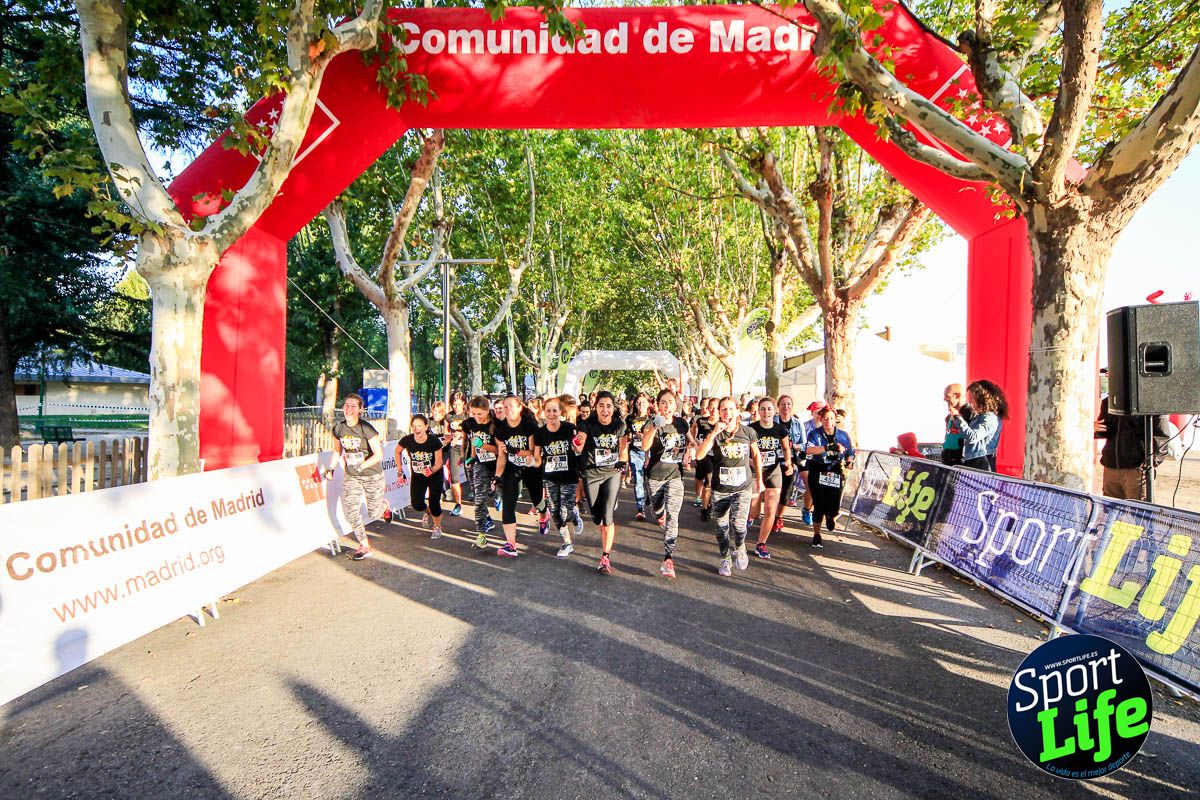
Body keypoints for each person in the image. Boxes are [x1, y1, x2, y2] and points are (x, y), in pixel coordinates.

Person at [696, 397, 763, 577]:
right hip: (720, 489)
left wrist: (760, 480)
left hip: (743, 486)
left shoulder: (748, 432)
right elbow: (699, 455)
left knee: (739, 524)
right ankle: (725, 558)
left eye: (731, 409)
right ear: (719, 413)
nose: (727, 413)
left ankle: (740, 546)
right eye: (723, 409)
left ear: (738, 411)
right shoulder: (715, 432)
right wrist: (713, 433)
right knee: (721, 527)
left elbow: (756, 456)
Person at [573, 390, 629, 574]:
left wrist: (623, 461)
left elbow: (623, 449)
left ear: (613, 408)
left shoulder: (619, 425)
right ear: (595, 407)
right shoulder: (587, 424)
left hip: (612, 472)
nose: (605, 410)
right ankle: (606, 504)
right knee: (597, 517)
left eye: (608, 406)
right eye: (601, 406)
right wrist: (577, 443)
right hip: (592, 474)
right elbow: (579, 443)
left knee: (607, 517)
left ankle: (605, 557)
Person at [641, 389, 696, 578]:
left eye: (670, 402)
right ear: (658, 405)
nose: (667, 406)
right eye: (663, 402)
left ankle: (668, 558)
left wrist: (694, 450)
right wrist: (655, 427)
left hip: (675, 476)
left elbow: (692, 442)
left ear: (675, 404)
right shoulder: (652, 422)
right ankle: (658, 512)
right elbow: (645, 446)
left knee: (673, 516)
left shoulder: (681, 423)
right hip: (655, 476)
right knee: (658, 510)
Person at [330, 393, 386, 560]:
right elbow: (337, 451)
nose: (349, 409)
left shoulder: (366, 429)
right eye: (347, 405)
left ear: (360, 409)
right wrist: (331, 468)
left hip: (372, 475)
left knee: (374, 513)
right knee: (351, 511)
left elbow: (379, 455)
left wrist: (361, 466)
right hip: (352, 476)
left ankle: (385, 505)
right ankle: (364, 545)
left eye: (354, 406)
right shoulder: (339, 428)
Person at [493, 395, 550, 558]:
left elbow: (533, 452)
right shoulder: (501, 430)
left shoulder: (529, 426)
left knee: (537, 499)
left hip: (531, 467)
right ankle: (511, 544)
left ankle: (544, 512)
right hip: (512, 468)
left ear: (519, 408)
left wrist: (516, 450)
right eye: (505, 406)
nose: (507, 409)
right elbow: (502, 456)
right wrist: (496, 477)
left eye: (511, 406)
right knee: (508, 504)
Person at [535, 396, 584, 557]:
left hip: (569, 475)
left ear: (560, 412)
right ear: (544, 412)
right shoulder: (540, 433)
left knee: (566, 512)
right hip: (550, 477)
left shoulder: (569, 428)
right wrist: (530, 461)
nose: (551, 414)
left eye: (554, 410)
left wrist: (578, 443)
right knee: (555, 511)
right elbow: (537, 457)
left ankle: (574, 514)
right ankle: (567, 543)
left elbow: (577, 450)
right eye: (548, 410)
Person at [805, 406, 855, 548]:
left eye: (831, 418)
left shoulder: (843, 435)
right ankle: (817, 534)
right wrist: (828, 448)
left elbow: (850, 451)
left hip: (835, 470)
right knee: (819, 504)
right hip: (817, 469)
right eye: (825, 418)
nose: (828, 421)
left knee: (834, 505)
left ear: (835, 420)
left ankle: (830, 515)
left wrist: (849, 461)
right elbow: (809, 449)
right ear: (820, 419)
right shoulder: (815, 434)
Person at [749, 396, 792, 560]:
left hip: (773, 471)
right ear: (758, 411)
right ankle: (750, 516)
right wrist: (753, 463)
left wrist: (788, 462)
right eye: (763, 409)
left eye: (769, 409)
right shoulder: (751, 429)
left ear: (774, 411)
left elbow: (786, 448)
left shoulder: (780, 429)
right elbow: (745, 452)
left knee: (770, 509)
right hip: (754, 471)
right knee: (754, 511)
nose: (766, 412)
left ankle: (761, 544)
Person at [396, 414, 445, 539]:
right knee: (417, 504)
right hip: (418, 476)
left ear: (426, 427)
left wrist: (431, 470)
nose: (416, 429)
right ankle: (428, 512)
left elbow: (439, 462)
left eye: (419, 426)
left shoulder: (433, 441)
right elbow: (397, 451)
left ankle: (437, 526)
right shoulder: (407, 440)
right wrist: (400, 470)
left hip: (434, 475)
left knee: (434, 503)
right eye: (413, 426)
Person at [463, 396, 499, 547]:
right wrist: (471, 457)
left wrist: (483, 445)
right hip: (480, 464)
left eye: (480, 414)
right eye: (473, 414)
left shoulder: (495, 425)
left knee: (495, 493)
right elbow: (473, 441)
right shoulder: (470, 424)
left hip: (497, 465)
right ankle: (481, 534)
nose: (476, 417)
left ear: (487, 411)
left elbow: (499, 450)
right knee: (478, 499)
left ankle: (497, 495)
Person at [954, 380, 1008, 471]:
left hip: (981, 461)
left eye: (972, 397)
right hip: (974, 460)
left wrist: (957, 418)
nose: (969, 401)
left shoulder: (990, 418)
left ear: (982, 398)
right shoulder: (980, 416)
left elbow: (973, 437)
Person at [775, 394, 807, 515]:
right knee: (774, 490)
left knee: (786, 491)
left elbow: (804, 445)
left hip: (792, 460)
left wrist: (791, 446)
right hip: (775, 459)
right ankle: (771, 515)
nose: (786, 407)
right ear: (778, 407)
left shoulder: (798, 424)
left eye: (788, 404)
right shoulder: (773, 421)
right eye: (783, 404)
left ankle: (779, 517)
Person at [626, 393, 653, 519]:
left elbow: (649, 441)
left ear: (648, 404)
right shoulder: (629, 419)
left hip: (648, 452)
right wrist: (630, 437)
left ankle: (649, 494)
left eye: (643, 402)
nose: (640, 405)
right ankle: (640, 509)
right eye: (638, 402)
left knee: (649, 480)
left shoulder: (651, 420)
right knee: (638, 480)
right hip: (634, 452)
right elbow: (625, 436)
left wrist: (647, 456)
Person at [691, 398, 720, 518]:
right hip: (704, 454)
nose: (712, 410)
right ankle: (704, 507)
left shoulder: (723, 423)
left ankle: (710, 502)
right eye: (710, 407)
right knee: (707, 478)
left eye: (715, 407)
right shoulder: (701, 421)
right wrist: (694, 443)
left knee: (715, 481)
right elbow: (692, 429)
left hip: (718, 456)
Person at [800, 401, 824, 525]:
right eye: (816, 412)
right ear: (812, 413)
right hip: (805, 460)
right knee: (811, 485)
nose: (819, 415)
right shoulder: (805, 426)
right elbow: (800, 443)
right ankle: (806, 509)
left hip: (822, 462)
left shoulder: (828, 426)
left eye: (821, 412)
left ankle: (814, 510)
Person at [445, 391, 468, 516]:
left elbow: (473, 432)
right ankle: (458, 504)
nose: (456, 407)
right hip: (454, 448)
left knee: (473, 477)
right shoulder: (448, 416)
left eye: (458, 404)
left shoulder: (468, 415)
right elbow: (445, 433)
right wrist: (450, 436)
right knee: (454, 477)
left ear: (463, 403)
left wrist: (462, 434)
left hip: (468, 448)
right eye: (454, 404)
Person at [940, 383, 975, 466]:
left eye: (947, 396)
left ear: (958, 395)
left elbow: (971, 436)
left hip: (961, 462)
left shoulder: (970, 413)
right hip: (947, 459)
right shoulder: (949, 416)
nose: (944, 399)